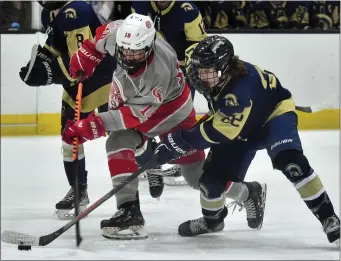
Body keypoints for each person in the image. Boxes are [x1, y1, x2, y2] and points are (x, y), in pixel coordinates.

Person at [154, 35, 340, 247]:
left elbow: (219, 132)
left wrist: (179, 141)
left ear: (224, 68)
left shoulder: (238, 92)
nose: (200, 76)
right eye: (199, 70)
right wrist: (176, 141)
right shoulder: (213, 70)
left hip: (272, 118)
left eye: (207, 71)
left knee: (292, 163)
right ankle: (212, 222)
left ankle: (329, 218)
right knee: (210, 183)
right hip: (239, 122)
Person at [62, 13, 207, 239]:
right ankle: (129, 212)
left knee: (197, 178)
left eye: (136, 51)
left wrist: (89, 127)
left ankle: (247, 192)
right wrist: (89, 52)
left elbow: (131, 116)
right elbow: (104, 33)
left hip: (173, 113)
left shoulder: (158, 71)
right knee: (118, 141)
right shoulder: (120, 34)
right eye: (125, 50)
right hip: (139, 109)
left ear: (149, 47)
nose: (128, 56)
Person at [19, 1, 117, 219]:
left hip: (103, 82)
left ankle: (149, 166)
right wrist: (38, 64)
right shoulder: (51, 14)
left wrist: (48, 73)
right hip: (76, 89)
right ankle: (78, 189)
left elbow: (80, 63)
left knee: (123, 133)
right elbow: (54, 47)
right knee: (69, 137)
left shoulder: (76, 11)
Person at [131, 0, 208, 186]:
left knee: (179, 121)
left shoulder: (188, 11)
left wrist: (179, 67)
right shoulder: (139, 5)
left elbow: (199, 44)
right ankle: (153, 162)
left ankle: (185, 162)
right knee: (142, 115)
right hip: (148, 71)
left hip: (180, 73)